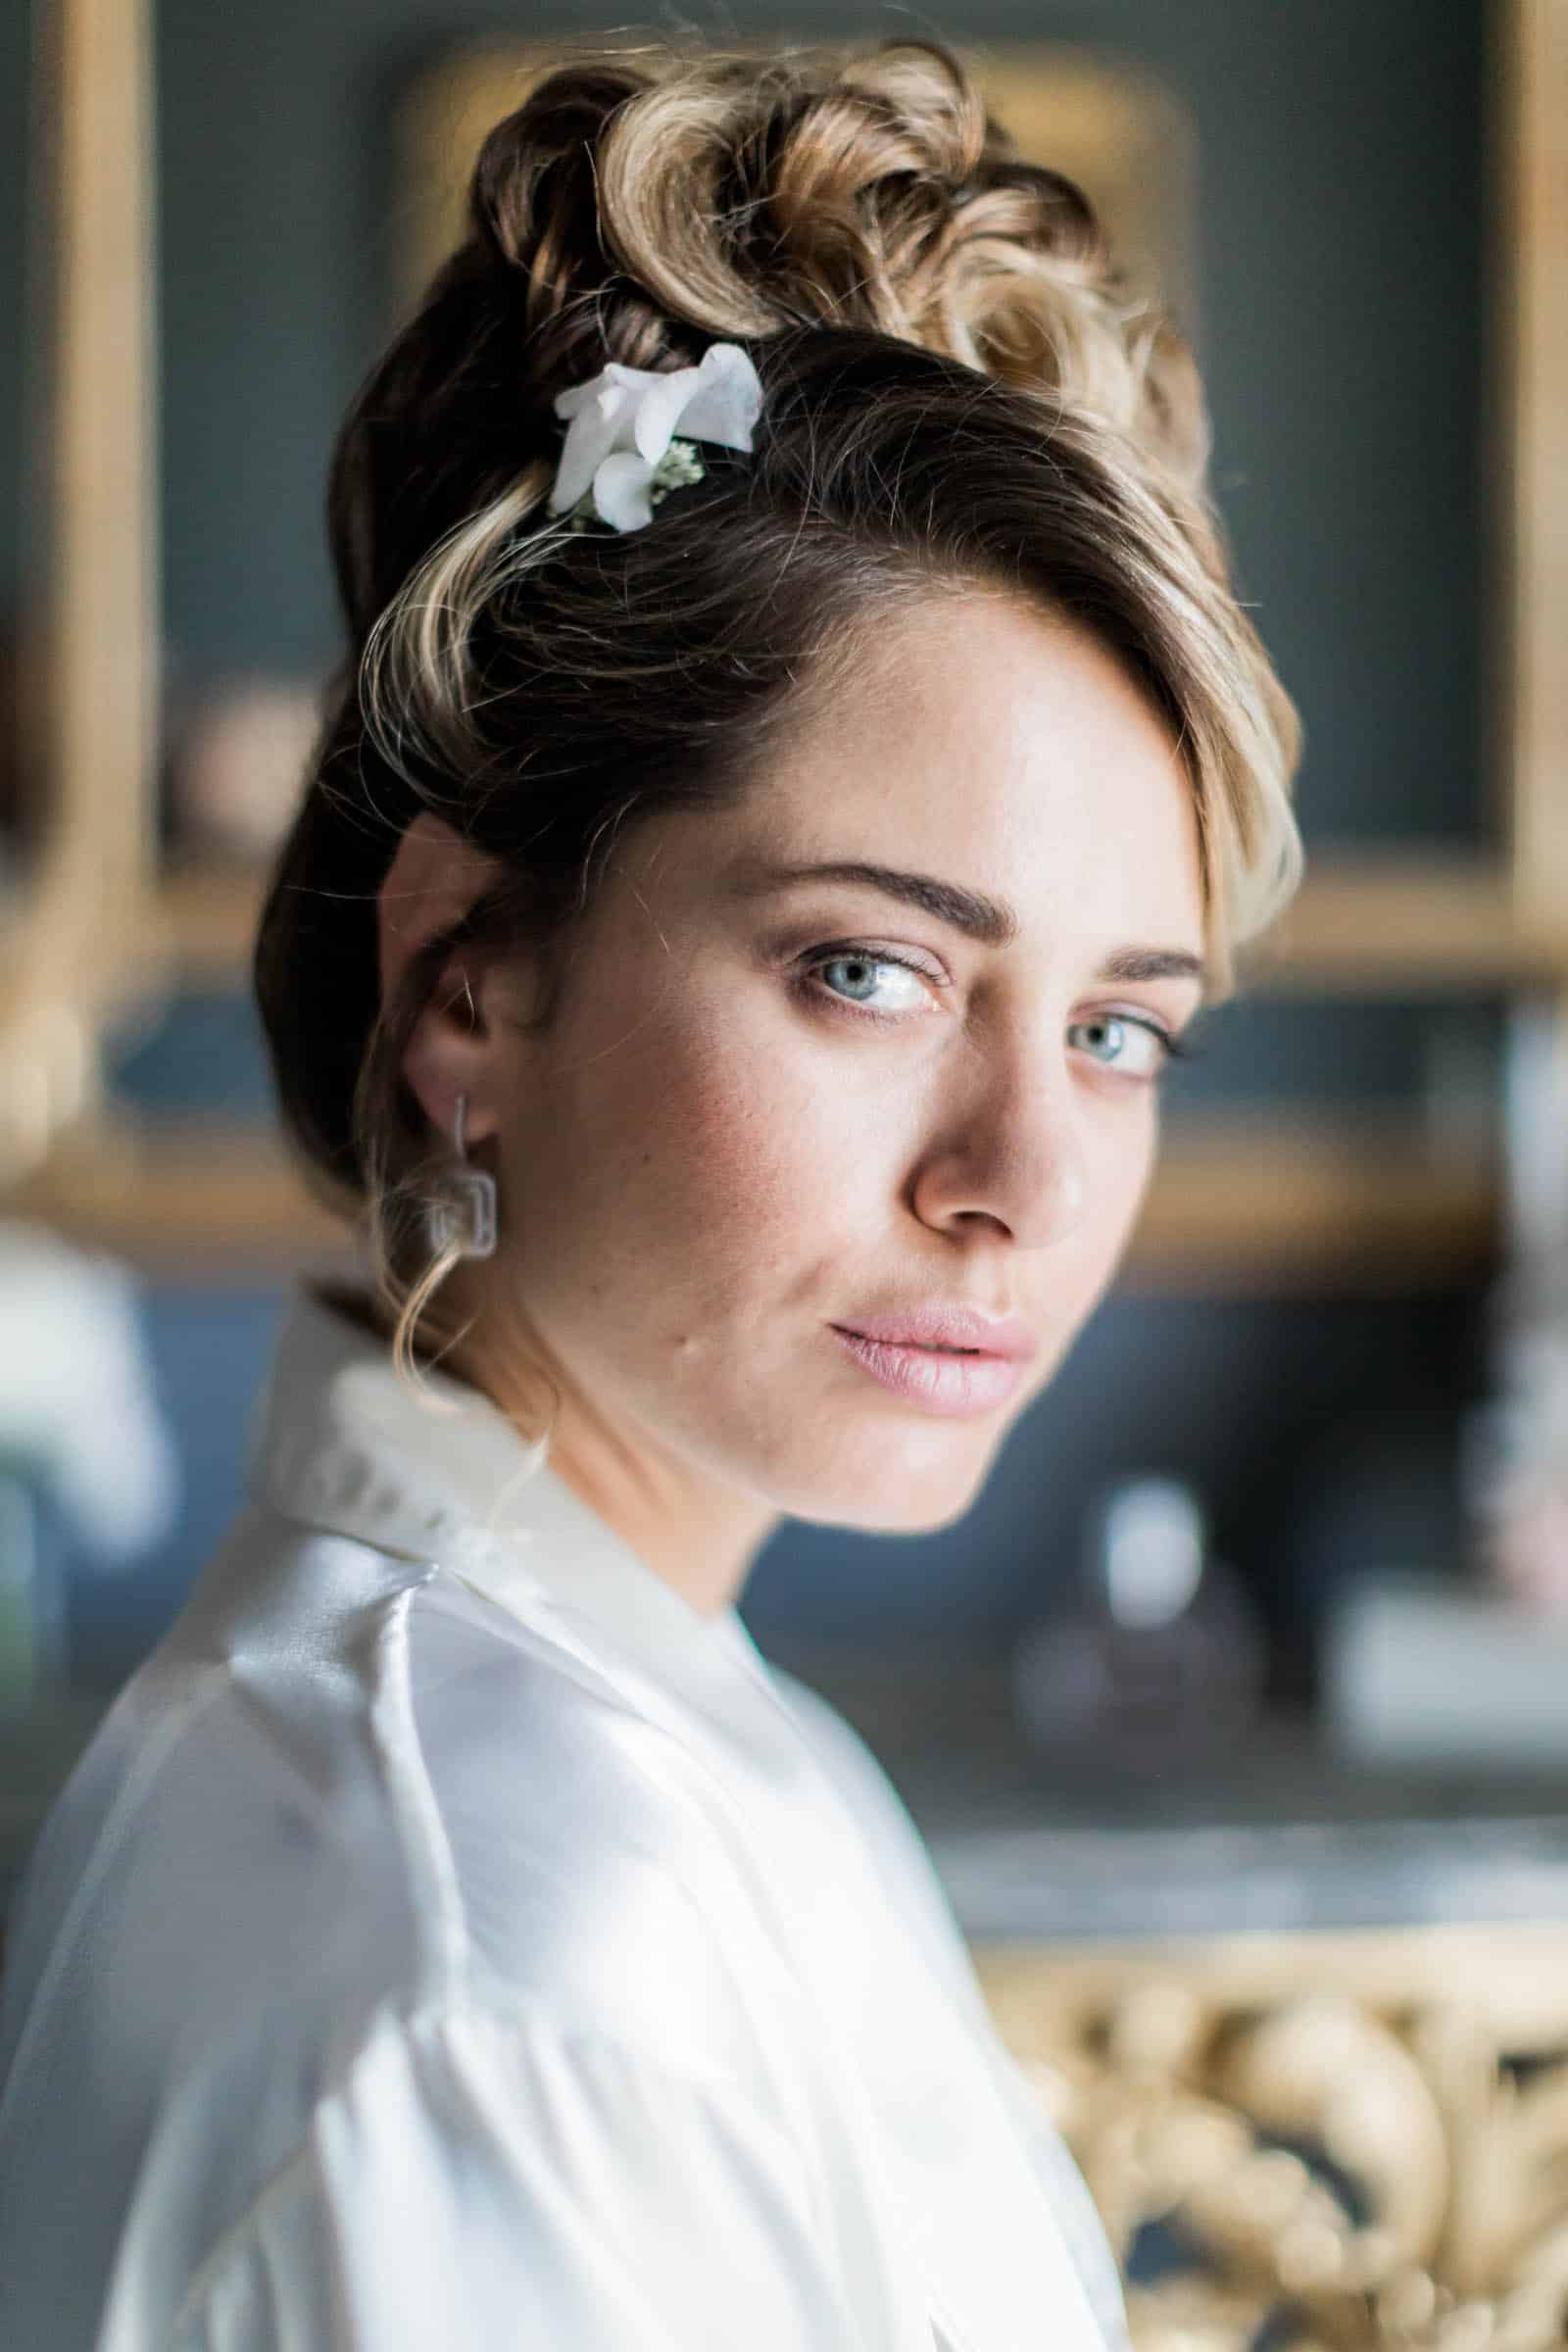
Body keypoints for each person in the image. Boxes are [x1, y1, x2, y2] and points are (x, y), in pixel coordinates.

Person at [0, 36, 1302, 2348]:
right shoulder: (504, 1981)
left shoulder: (631, 1723)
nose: (1020, 1179)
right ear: (470, 981)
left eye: (1118, 1028)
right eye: (870, 970)